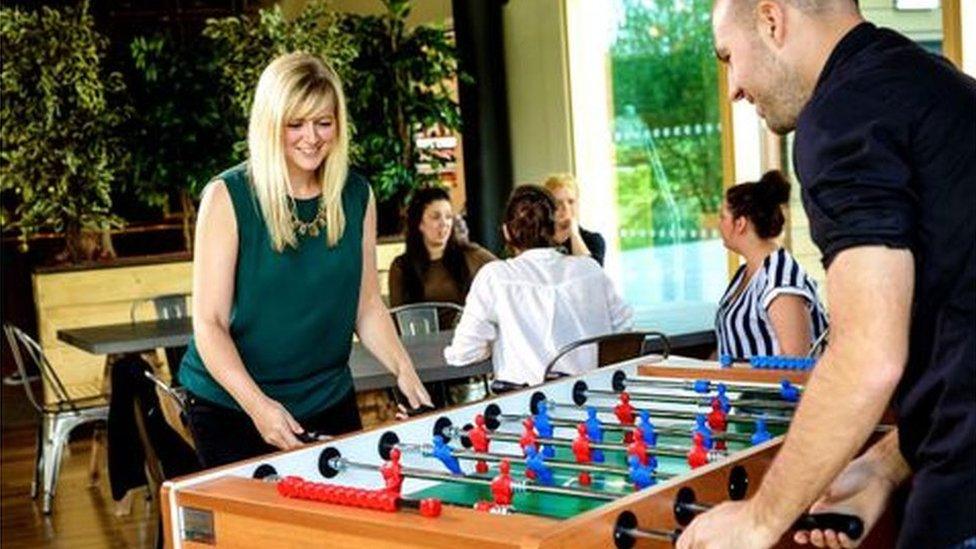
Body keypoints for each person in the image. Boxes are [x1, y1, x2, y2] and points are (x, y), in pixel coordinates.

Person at [678, 1, 975, 548]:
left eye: (728, 58)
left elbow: (868, 357)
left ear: (772, 19)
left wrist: (758, 519)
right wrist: (885, 464)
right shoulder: (940, 86)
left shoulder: (841, 116)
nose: (734, 88)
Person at [178, 52, 433, 468]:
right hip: (231, 405)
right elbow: (209, 324)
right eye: (295, 124)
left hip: (327, 397)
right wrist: (259, 406)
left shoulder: (356, 195)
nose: (310, 137)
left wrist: (403, 370)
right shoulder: (228, 197)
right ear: (270, 126)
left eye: (323, 122)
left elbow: (366, 306)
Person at [444, 185, 633, 390]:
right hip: (591, 402)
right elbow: (624, 328)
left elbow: (463, 353)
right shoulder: (589, 268)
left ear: (507, 232)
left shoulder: (496, 277)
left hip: (526, 409)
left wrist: (496, 343)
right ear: (554, 229)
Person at [715, 170, 828, 359]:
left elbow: (796, 361)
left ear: (740, 223)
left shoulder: (780, 280)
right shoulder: (745, 273)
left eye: (722, 217)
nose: (718, 224)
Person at [388, 186, 496, 327]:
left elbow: (505, 274)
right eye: (436, 217)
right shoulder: (401, 267)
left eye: (448, 217)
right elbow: (398, 320)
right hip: (420, 344)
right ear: (419, 223)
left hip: (466, 342)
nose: (444, 223)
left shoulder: (470, 254)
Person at [542, 174, 607, 266]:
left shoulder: (592, 240)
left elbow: (590, 273)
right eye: (558, 203)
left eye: (571, 202)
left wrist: (574, 234)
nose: (565, 208)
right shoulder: (537, 241)